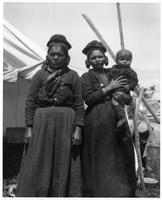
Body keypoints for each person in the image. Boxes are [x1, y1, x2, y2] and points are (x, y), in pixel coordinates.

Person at [15, 34, 84, 197]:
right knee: (39, 158)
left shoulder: (73, 76)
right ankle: (38, 192)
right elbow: (31, 101)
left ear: (66, 57)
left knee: (63, 159)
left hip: (66, 122)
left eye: (60, 55)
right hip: (42, 121)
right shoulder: (39, 75)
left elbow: (79, 103)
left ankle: (61, 193)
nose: (56, 58)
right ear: (47, 56)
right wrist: (29, 127)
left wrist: (78, 129)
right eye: (52, 54)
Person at [81, 40, 137, 197]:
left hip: (117, 116)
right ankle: (98, 192)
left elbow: (128, 96)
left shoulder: (114, 73)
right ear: (88, 61)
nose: (98, 60)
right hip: (97, 119)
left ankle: (119, 191)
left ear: (105, 58)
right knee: (101, 154)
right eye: (94, 58)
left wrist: (125, 95)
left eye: (100, 57)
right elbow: (89, 99)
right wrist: (109, 88)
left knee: (120, 152)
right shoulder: (86, 77)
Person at [110, 49, 138, 128]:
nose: (125, 61)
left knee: (115, 101)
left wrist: (129, 86)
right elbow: (109, 76)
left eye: (127, 59)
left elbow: (134, 80)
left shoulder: (131, 71)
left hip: (123, 90)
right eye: (122, 59)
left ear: (131, 60)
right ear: (117, 60)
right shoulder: (113, 69)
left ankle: (122, 117)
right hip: (113, 88)